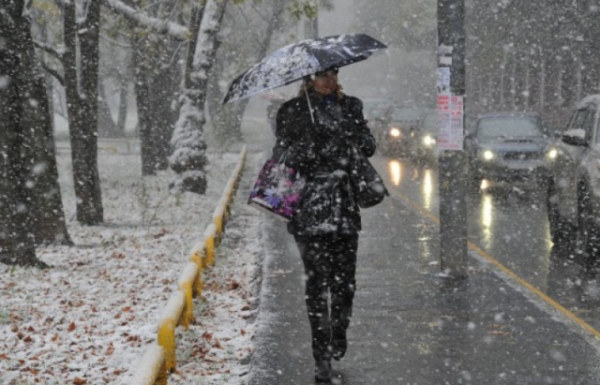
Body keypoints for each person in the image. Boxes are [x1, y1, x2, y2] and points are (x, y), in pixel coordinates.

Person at [273, 67, 376, 383]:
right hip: (309, 209)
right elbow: (282, 156)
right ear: (308, 80)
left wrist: (352, 137)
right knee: (317, 286)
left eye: (333, 74)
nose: (329, 80)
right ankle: (321, 356)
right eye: (322, 75)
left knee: (345, 283)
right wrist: (308, 144)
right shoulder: (292, 111)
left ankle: (338, 330)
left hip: (344, 207)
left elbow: (369, 146)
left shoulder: (351, 106)